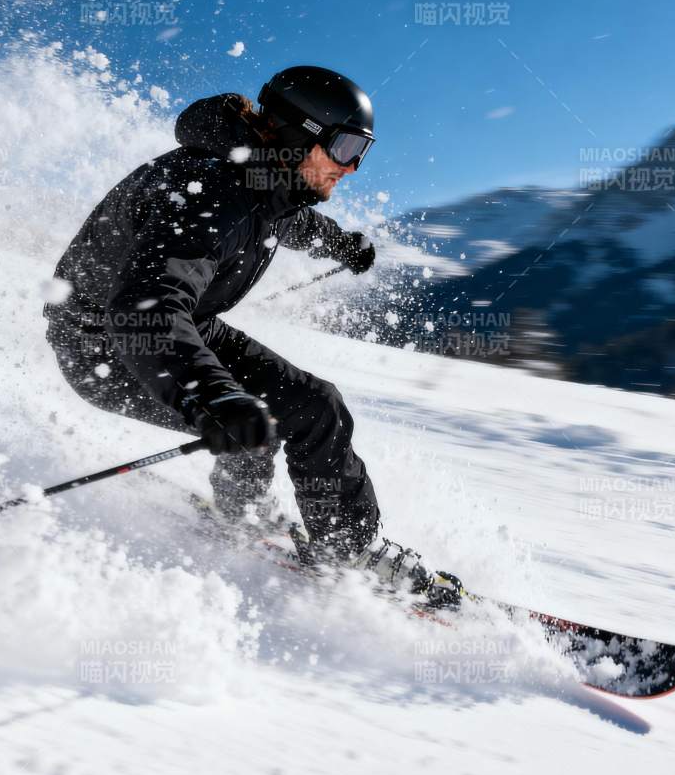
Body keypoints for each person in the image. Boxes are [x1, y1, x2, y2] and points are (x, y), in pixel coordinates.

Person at [45, 65, 454, 593]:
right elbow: (144, 307)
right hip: (102, 344)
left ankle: (339, 543)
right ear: (300, 133)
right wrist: (212, 395)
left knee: (314, 405)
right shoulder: (211, 189)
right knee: (246, 419)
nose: (352, 168)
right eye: (347, 146)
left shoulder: (262, 174)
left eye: (363, 151)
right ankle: (250, 521)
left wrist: (341, 244)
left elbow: (290, 218)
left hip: (179, 326)